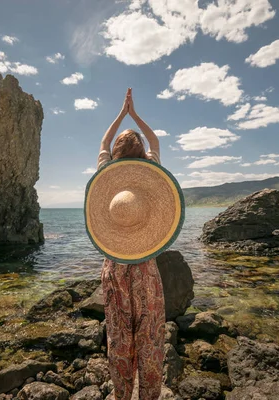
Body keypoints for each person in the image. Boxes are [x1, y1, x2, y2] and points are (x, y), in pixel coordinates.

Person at [97, 88, 165, 400]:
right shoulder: (151, 171)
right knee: (150, 338)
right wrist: (135, 115)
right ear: (140, 155)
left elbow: (103, 144)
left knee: (119, 337)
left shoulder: (106, 174)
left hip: (114, 267)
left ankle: (122, 395)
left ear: (117, 155)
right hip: (146, 267)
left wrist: (121, 114)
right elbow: (155, 142)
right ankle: (149, 395)